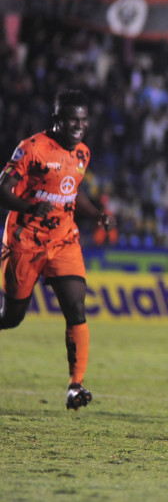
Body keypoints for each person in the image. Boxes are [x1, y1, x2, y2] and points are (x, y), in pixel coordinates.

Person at [0, 90, 115, 410]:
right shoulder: (32, 148)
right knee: (11, 318)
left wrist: (96, 215)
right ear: (57, 121)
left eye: (83, 120)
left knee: (76, 308)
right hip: (25, 241)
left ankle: (75, 387)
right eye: (72, 120)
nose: (79, 126)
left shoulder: (82, 153)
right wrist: (27, 206)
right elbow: (2, 190)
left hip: (63, 239)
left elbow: (72, 193)